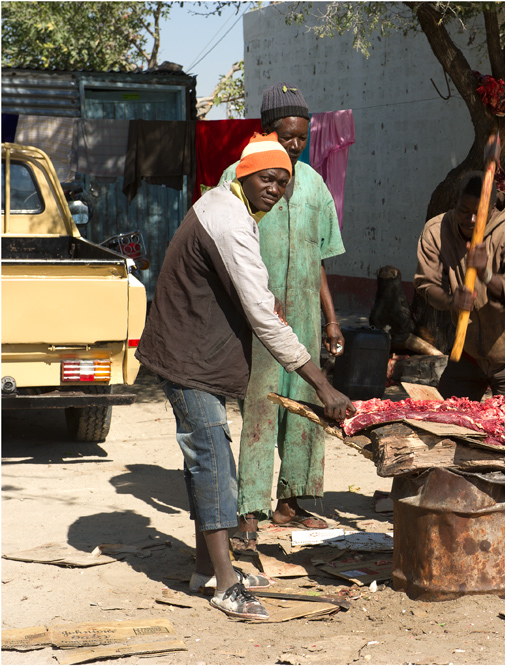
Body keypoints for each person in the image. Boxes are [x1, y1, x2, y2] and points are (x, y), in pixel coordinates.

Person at [136, 133, 355, 620]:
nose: (275, 188)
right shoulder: (231, 220)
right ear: (243, 174)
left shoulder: (228, 206)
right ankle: (227, 585)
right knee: (214, 459)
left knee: (206, 460)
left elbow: (248, 286)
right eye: (267, 178)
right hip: (187, 358)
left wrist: (261, 297)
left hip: (199, 354)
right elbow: (263, 316)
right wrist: (322, 384)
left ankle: (205, 568)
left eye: (283, 181)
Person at [219, 83, 347, 553]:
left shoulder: (314, 184)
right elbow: (223, 248)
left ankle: (293, 501)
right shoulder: (238, 176)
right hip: (259, 321)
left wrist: (331, 321)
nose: (295, 144)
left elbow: (319, 260)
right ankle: (249, 509)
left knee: (311, 409)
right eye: (287, 135)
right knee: (262, 408)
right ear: (266, 130)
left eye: (302, 136)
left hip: (307, 319)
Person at [414, 171, 505, 401]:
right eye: (463, 211)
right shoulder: (436, 231)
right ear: (455, 203)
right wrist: (450, 300)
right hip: (465, 350)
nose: (470, 220)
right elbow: (426, 285)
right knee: (446, 421)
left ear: (491, 209)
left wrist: (485, 274)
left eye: (478, 214)